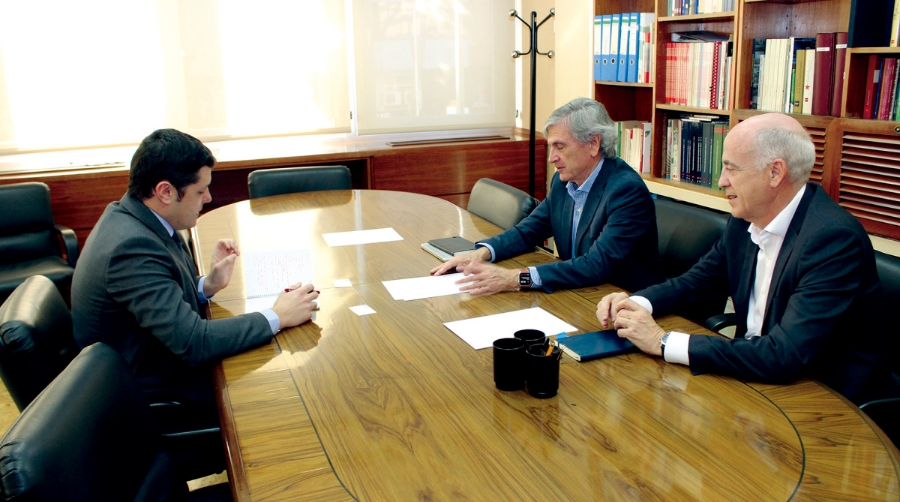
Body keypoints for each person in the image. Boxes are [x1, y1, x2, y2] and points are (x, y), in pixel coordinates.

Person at [596, 113, 888, 403]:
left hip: (818, 398)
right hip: (752, 376)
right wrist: (634, 303)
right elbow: (694, 284)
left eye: (731, 169)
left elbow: (783, 355)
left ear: (775, 173)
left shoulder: (832, 240)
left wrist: (662, 341)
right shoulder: (744, 220)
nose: (721, 181)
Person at [72, 129, 318, 426]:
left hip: (153, 356)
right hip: (152, 396)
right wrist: (278, 316)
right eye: (201, 191)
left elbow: (159, 294)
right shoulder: (131, 248)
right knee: (293, 392)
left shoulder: (133, 215)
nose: (209, 198)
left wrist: (205, 285)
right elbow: (194, 343)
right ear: (165, 192)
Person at [432, 97, 663, 294]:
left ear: (593, 144)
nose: (551, 157)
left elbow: (595, 266)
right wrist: (479, 254)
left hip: (621, 302)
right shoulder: (564, 181)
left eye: (560, 147)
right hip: (576, 293)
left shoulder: (626, 191)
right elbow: (529, 230)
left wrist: (514, 278)